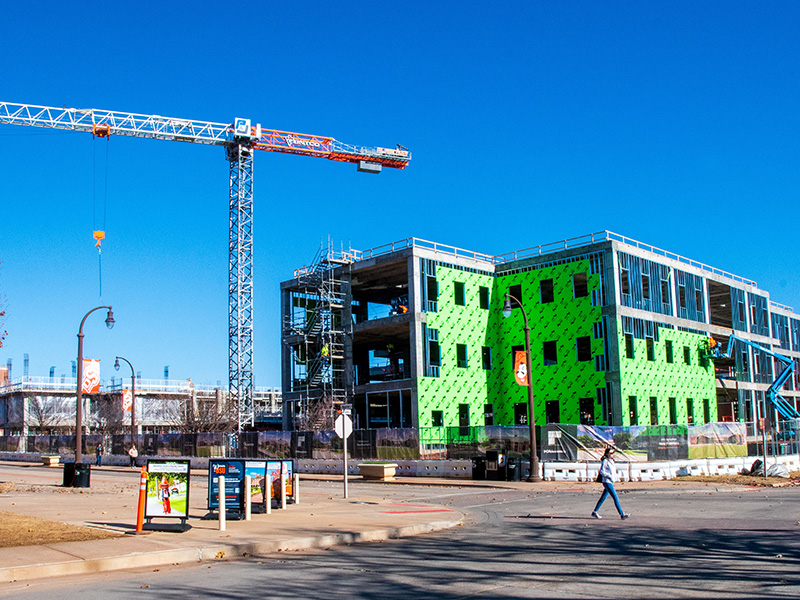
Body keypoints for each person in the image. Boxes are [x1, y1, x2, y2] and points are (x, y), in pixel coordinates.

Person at [592, 447, 630, 520]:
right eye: (611, 453)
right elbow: (602, 471)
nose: (612, 455)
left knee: (603, 498)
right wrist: (609, 476)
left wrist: (614, 478)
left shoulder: (612, 461)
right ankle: (622, 514)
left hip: (610, 482)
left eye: (613, 453)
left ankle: (594, 512)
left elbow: (612, 472)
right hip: (607, 481)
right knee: (615, 497)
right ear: (607, 454)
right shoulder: (605, 461)